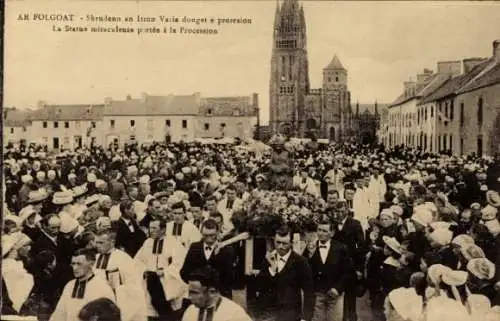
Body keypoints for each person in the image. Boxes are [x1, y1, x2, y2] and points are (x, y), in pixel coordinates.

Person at [255, 225, 314, 321]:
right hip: (269, 314)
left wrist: (305, 318)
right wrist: (272, 270)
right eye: (278, 242)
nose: (280, 247)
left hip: (291, 314)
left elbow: (309, 292)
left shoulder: (301, 262)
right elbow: (261, 286)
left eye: (284, 243)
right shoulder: (268, 259)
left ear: (291, 243)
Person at [134, 218, 187, 321]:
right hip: (151, 281)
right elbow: (137, 260)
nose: (151, 231)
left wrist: (165, 272)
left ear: (163, 230)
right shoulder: (148, 242)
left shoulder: (174, 243)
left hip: (166, 281)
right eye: (150, 228)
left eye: (154, 228)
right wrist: (145, 269)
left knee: (168, 312)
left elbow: (180, 262)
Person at [302, 219, 355, 321]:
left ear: (332, 233)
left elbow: (348, 272)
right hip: (317, 293)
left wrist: (338, 288)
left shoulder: (341, 248)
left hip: (335, 294)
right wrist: (310, 255)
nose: (321, 234)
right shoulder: (311, 247)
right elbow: (305, 269)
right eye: (319, 230)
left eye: (325, 231)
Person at [93, 229, 148, 321]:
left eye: (101, 242)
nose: (97, 246)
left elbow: (133, 283)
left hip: (119, 299)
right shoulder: (96, 258)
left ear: (112, 242)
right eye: (97, 242)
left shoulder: (123, 258)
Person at [49, 248, 115, 321]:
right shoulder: (69, 285)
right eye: (73, 264)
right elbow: (59, 314)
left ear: (91, 264)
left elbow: (110, 316)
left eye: (79, 264)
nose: (75, 268)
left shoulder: (102, 287)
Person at [180, 219, 235, 299]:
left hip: (220, 294)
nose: (209, 238)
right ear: (201, 233)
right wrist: (196, 286)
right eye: (205, 235)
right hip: (198, 295)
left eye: (212, 235)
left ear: (218, 233)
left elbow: (229, 277)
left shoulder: (227, 250)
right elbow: (184, 272)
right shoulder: (194, 247)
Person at [181, 266, 252, 321]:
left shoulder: (234, 315)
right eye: (189, 292)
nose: (189, 297)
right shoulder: (191, 311)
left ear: (212, 292)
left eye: (194, 293)